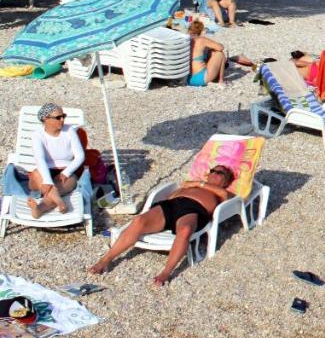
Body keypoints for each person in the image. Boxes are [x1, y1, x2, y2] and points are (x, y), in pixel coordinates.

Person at [89, 165, 236, 287]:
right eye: (213, 171)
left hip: (194, 209)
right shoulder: (191, 183)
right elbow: (182, 186)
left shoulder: (222, 193)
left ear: (225, 181)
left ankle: (166, 272)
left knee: (184, 231)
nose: (214, 173)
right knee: (138, 221)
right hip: (171, 205)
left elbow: (228, 198)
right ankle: (105, 260)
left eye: (220, 172)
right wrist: (195, 184)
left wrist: (200, 184)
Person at [21, 103, 85, 219]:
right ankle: (60, 202)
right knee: (36, 173)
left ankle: (38, 209)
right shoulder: (38, 135)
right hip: (43, 173)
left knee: (66, 183)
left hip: (65, 172)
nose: (62, 120)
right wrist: (48, 181)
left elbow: (80, 156)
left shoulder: (70, 131)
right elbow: (40, 159)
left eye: (63, 116)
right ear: (46, 119)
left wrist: (65, 173)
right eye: (58, 117)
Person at [188, 19, 226, 86]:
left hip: (189, 79)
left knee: (209, 52)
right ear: (201, 30)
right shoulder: (202, 40)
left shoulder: (186, 40)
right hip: (201, 79)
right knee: (220, 54)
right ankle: (221, 80)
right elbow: (220, 48)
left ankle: (217, 78)